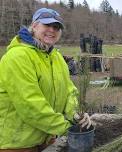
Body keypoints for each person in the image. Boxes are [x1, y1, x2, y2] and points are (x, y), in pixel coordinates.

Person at [0, 8, 91, 151]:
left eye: (56, 27)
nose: (52, 30)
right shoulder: (17, 57)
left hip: (46, 140)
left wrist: (75, 115)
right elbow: (30, 104)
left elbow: (69, 91)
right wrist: (66, 127)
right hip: (16, 144)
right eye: (47, 25)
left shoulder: (57, 57)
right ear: (34, 26)